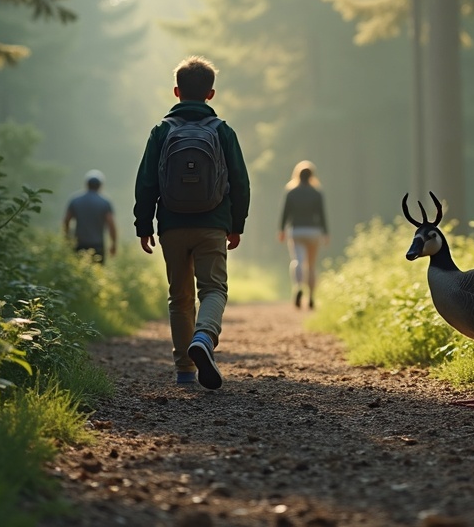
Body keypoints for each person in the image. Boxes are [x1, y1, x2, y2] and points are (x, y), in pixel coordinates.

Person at [133, 56, 250, 390]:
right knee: (213, 288)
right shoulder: (222, 131)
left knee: (179, 297)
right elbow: (241, 182)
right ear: (210, 94)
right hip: (212, 222)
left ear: (176, 91)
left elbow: (146, 182)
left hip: (171, 223)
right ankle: (204, 337)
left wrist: (144, 225)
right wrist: (235, 223)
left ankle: (185, 369)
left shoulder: (162, 130)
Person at [278, 160, 328, 310]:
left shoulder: (291, 192)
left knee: (298, 260)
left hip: (296, 230)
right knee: (311, 265)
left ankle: (299, 286)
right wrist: (325, 232)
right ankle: (311, 297)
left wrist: (281, 230)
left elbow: (285, 213)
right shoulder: (317, 192)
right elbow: (321, 214)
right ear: (312, 175)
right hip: (314, 231)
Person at [63, 169, 117, 263]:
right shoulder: (105, 202)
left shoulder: (75, 200)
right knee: (97, 273)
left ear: (86, 184)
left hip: (79, 243)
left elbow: (67, 220)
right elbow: (111, 225)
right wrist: (113, 243)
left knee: (78, 270)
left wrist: (68, 238)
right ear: (100, 185)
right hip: (97, 245)